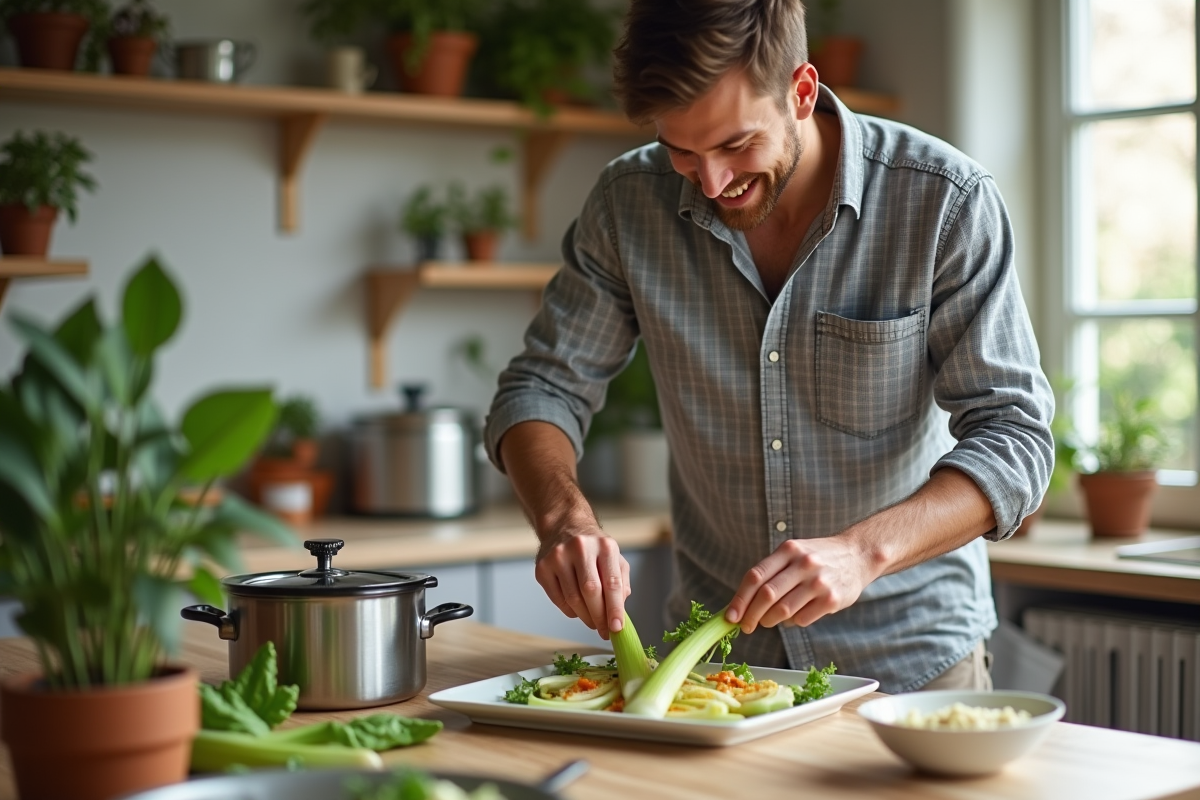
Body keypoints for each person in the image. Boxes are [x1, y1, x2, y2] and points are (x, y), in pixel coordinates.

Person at [484, 0, 1053, 693]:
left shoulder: (944, 202)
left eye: (735, 145)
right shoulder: (628, 205)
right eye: (683, 152)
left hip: (912, 661)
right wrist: (562, 518)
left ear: (802, 92)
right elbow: (541, 388)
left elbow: (1015, 439)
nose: (714, 183)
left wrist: (861, 553)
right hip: (719, 670)